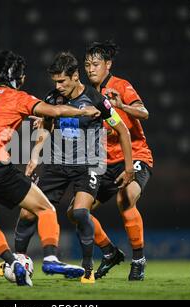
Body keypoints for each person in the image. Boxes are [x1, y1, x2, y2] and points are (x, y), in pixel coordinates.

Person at [0, 50, 101, 286]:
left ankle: (12, 261)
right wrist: (83, 111)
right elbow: (54, 111)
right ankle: (51, 259)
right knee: (45, 209)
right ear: (20, 78)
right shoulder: (18, 97)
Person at [0, 52, 135, 284]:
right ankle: (17, 261)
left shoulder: (96, 99)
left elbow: (123, 131)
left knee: (79, 212)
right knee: (28, 211)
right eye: (55, 82)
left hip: (88, 166)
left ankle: (87, 270)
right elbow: (46, 126)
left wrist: (129, 168)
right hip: (57, 165)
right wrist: (35, 156)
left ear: (76, 76)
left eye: (62, 81)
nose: (58, 86)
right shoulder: (54, 98)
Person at [82, 40, 153, 281]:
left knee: (125, 198)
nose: (90, 69)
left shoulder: (120, 86)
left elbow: (144, 112)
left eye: (96, 64)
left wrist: (121, 105)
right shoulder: (84, 95)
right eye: (87, 64)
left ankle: (139, 260)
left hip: (134, 155)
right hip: (104, 162)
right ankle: (110, 252)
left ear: (108, 65)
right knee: (78, 211)